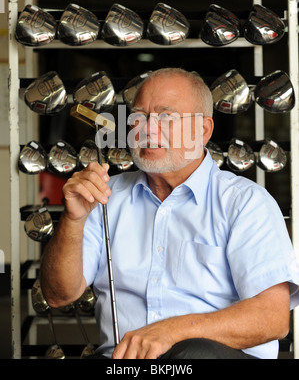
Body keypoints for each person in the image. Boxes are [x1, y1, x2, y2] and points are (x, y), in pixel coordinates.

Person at [40, 67, 299, 359]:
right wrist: (73, 220)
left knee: (194, 353)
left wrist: (172, 331)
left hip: (210, 357)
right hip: (123, 362)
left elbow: (272, 318)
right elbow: (58, 295)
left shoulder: (245, 203)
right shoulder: (103, 197)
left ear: (203, 131)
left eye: (165, 117)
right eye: (138, 117)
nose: (147, 129)